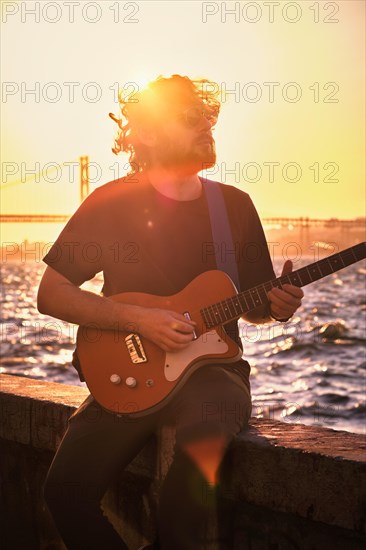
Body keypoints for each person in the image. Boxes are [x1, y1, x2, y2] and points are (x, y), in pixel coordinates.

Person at [38, 75, 304, 550]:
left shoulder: (234, 208)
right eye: (187, 118)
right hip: (130, 370)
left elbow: (259, 303)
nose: (205, 125)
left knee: (195, 468)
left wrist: (279, 308)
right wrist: (138, 321)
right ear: (147, 134)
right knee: (65, 494)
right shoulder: (111, 203)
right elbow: (51, 294)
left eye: (207, 117)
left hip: (213, 373)